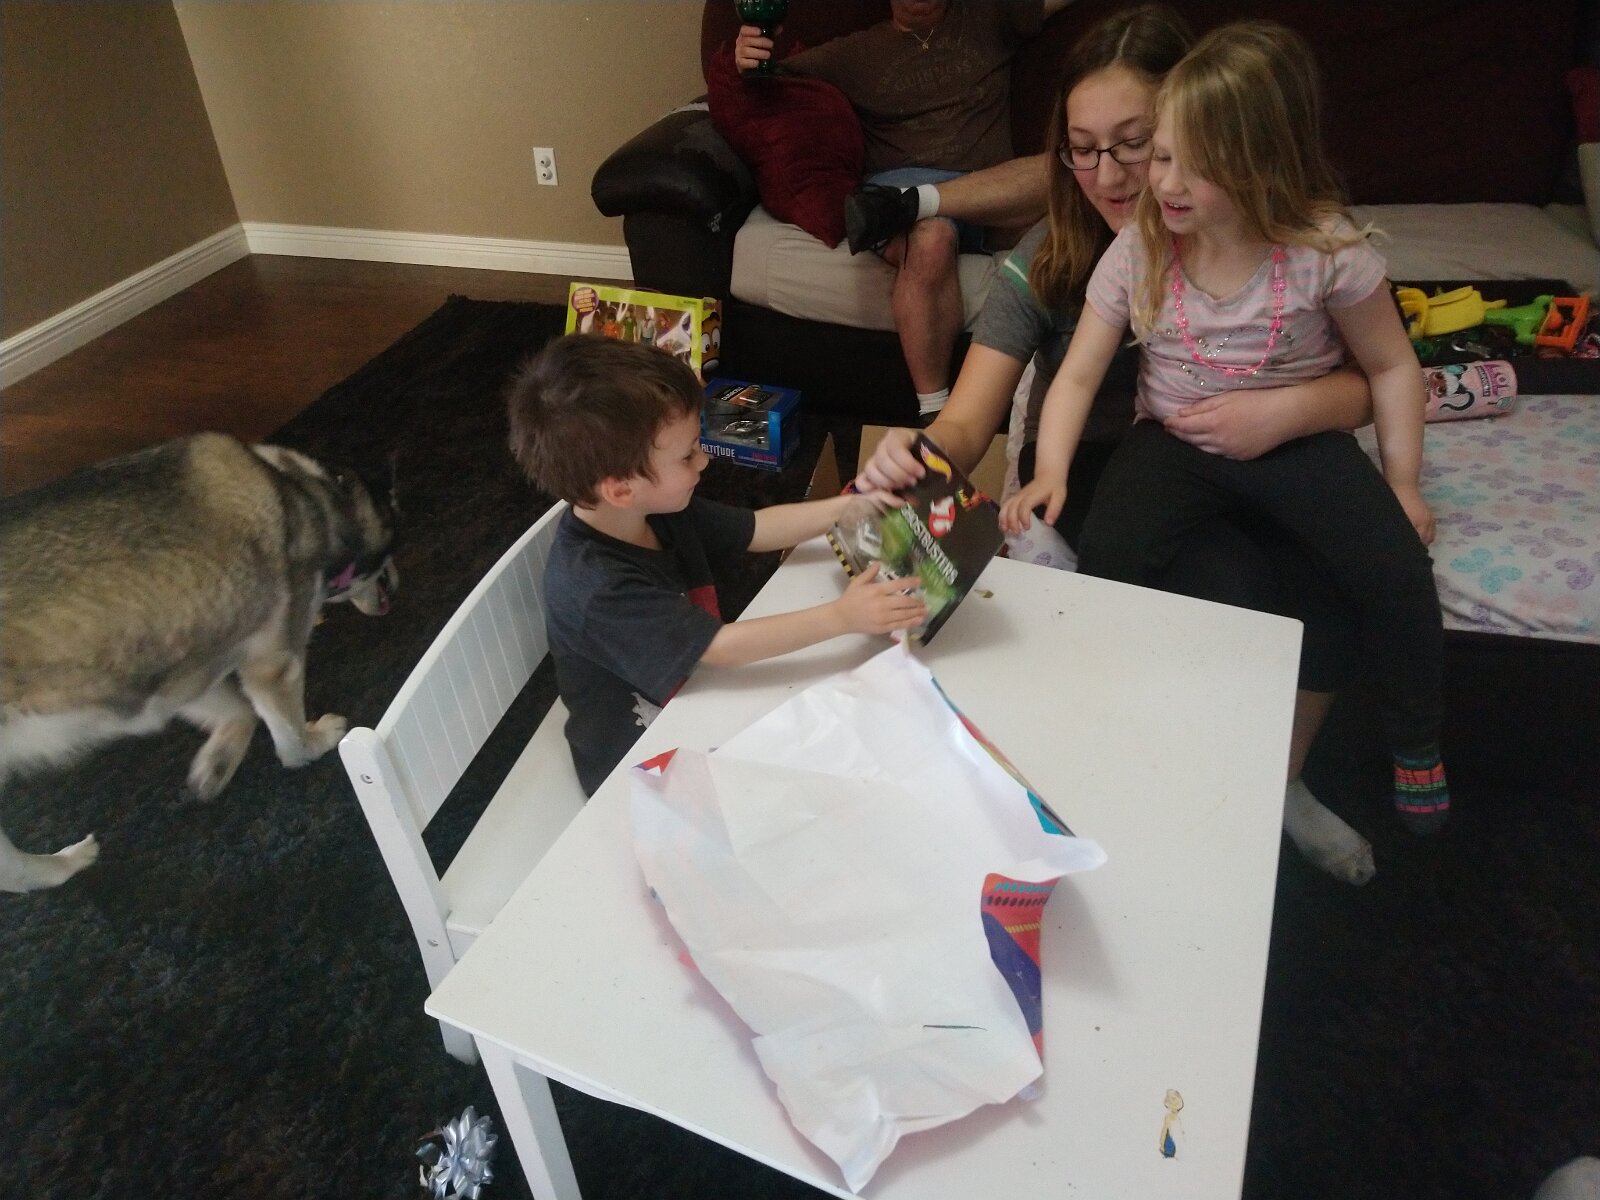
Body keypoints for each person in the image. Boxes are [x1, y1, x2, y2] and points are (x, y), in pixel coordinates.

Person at [857, 3, 1380, 885]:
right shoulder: (1049, 258)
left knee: (1334, 585)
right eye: (1083, 148)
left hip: (1257, 454)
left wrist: (1291, 411)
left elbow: (1378, 378)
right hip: (1106, 472)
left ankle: (1278, 783)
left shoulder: (1277, 235)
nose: (1110, 175)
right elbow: (968, 422)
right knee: (1222, 586)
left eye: (1137, 144)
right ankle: (1172, 789)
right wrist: (916, 452)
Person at [999, 20, 1449, 836]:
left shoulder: (1325, 252)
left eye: (1192, 167)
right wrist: (1051, 470)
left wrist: (1404, 482)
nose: (1164, 185)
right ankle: (1098, 720)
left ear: (1261, 164)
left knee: (1396, 569)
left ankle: (1416, 743)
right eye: (1163, 156)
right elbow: (1077, 374)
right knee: (1112, 555)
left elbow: (1391, 367)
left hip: (1299, 445)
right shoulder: (1141, 246)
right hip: (1172, 443)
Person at [506, 335, 927, 795]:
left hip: (698, 694)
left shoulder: (657, 509)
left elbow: (758, 528)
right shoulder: (596, 589)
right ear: (621, 489)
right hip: (638, 767)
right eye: (688, 455)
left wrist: (846, 508)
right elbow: (722, 648)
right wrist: (843, 616)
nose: (705, 460)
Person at [733, 0, 1073, 418]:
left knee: (1066, 168)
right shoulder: (854, 53)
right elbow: (767, 83)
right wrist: (747, 56)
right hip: (902, 183)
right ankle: (934, 411)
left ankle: (914, 204)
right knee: (931, 237)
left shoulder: (990, 16)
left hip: (989, 195)